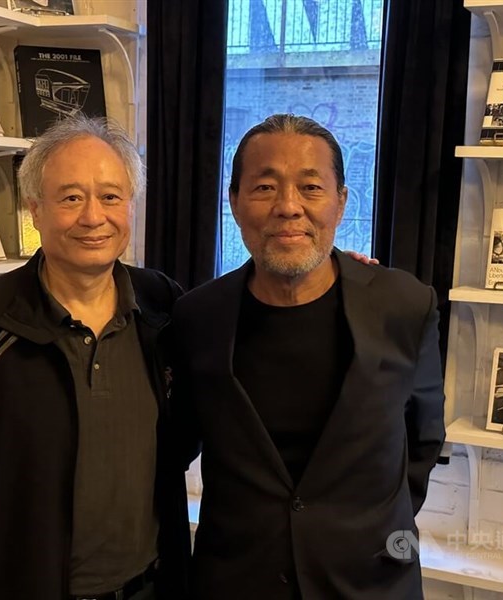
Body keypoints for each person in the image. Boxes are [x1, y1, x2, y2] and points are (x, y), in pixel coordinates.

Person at [0, 115, 190, 600]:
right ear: (35, 210)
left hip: (150, 587)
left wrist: (342, 276)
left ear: (131, 206)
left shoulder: (162, 306)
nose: (93, 217)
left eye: (110, 196)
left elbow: (239, 341)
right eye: (70, 197)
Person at [171, 114, 445, 600]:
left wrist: (366, 534)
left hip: (371, 585)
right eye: (264, 188)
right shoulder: (198, 317)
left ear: (340, 202)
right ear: (234, 203)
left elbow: (422, 443)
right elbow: (177, 444)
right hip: (235, 583)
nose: (288, 208)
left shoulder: (404, 306)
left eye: (311, 187)